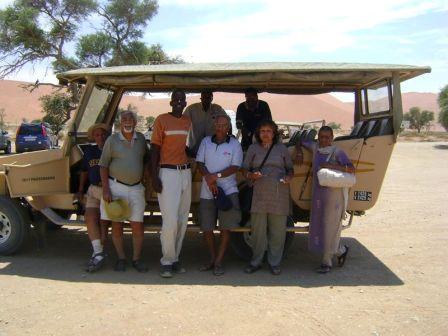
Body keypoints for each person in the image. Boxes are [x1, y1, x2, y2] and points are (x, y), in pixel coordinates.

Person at [296, 125, 354, 273]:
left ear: (332, 138)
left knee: (330, 228)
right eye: (321, 137)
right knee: (321, 227)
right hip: (318, 197)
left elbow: (351, 169)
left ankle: (326, 263)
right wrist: (299, 152)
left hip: (334, 198)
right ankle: (340, 250)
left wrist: (331, 166)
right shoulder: (315, 148)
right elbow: (300, 141)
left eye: (327, 137)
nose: (324, 140)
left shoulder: (337, 152)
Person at [241, 120, 294, 275]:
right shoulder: (253, 149)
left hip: (279, 193)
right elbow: (243, 169)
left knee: (277, 232)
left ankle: (274, 263)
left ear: (274, 133)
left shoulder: (282, 149)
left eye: (268, 131)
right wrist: (251, 175)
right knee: (258, 232)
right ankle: (256, 262)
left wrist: (289, 177)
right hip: (259, 194)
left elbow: (290, 169)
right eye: (262, 131)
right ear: (258, 133)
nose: (265, 134)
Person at [99, 110, 149, 273]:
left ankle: (136, 259)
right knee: (117, 224)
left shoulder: (141, 139)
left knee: (137, 225)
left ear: (135, 122)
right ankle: (121, 258)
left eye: (130, 119)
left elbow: (146, 159)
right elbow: (103, 165)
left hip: (136, 188)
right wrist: (106, 189)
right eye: (124, 119)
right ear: (120, 123)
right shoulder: (112, 140)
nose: (127, 122)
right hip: (115, 187)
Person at [150, 89, 192, 278]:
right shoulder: (161, 120)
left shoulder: (187, 121)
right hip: (167, 173)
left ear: (185, 103)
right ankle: (166, 261)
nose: (179, 102)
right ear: (171, 102)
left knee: (183, 219)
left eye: (182, 100)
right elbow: (154, 149)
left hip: (185, 173)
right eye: (176, 99)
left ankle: (175, 258)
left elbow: (186, 146)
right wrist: (154, 176)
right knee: (170, 220)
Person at [196, 115, 243, 276]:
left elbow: (235, 166)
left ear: (229, 127)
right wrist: (210, 180)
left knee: (225, 228)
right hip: (207, 191)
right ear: (214, 126)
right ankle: (212, 258)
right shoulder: (205, 142)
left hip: (228, 191)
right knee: (207, 228)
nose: (220, 128)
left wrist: (215, 177)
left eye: (224, 125)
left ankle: (219, 261)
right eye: (218, 124)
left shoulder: (235, 145)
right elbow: (200, 163)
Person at [76, 123, 111, 272]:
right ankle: (97, 251)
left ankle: (100, 252)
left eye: (103, 134)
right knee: (90, 217)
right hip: (92, 189)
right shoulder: (89, 151)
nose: (101, 137)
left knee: (104, 222)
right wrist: (80, 189)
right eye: (97, 135)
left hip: (108, 190)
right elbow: (84, 171)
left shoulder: (112, 150)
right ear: (93, 137)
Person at [184, 90, 227, 156]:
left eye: (208, 98)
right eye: (204, 98)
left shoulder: (218, 109)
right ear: (201, 98)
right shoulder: (191, 109)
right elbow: (182, 124)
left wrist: (228, 137)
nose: (206, 100)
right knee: (195, 164)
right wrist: (183, 144)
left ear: (211, 99)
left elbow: (227, 122)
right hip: (194, 145)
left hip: (212, 144)